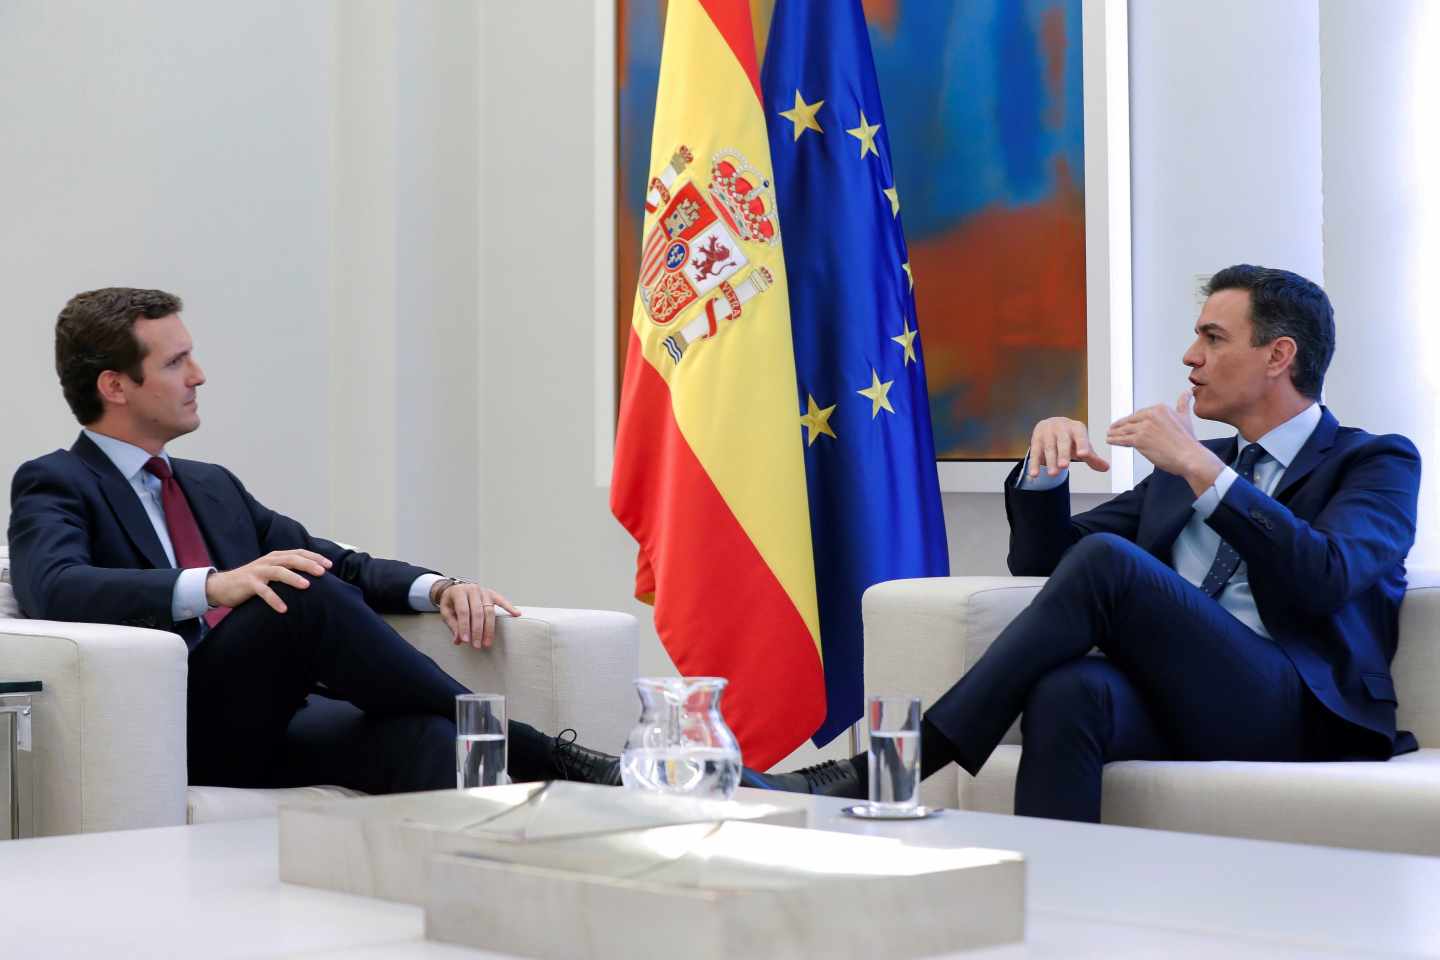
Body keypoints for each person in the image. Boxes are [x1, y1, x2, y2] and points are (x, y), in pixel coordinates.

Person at [748, 265, 1422, 821]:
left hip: (1298, 710)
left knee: (1110, 563)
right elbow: (1052, 569)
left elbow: (1326, 575)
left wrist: (1200, 470)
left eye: (1214, 339)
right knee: (1069, 690)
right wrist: (1044, 474)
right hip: (1188, 700)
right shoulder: (1187, 468)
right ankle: (1056, 912)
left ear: (1279, 356)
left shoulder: (1373, 462)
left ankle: (891, 766)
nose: (1191, 358)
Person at [8, 287, 623, 794]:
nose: (199, 376)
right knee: (299, 593)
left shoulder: (209, 486)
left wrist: (439, 587)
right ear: (115, 386)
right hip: (178, 727)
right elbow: (55, 586)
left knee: (435, 739)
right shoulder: (56, 480)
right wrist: (215, 586)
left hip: (276, 719)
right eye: (174, 363)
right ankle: (540, 750)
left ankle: (487, 900)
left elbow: (336, 563)